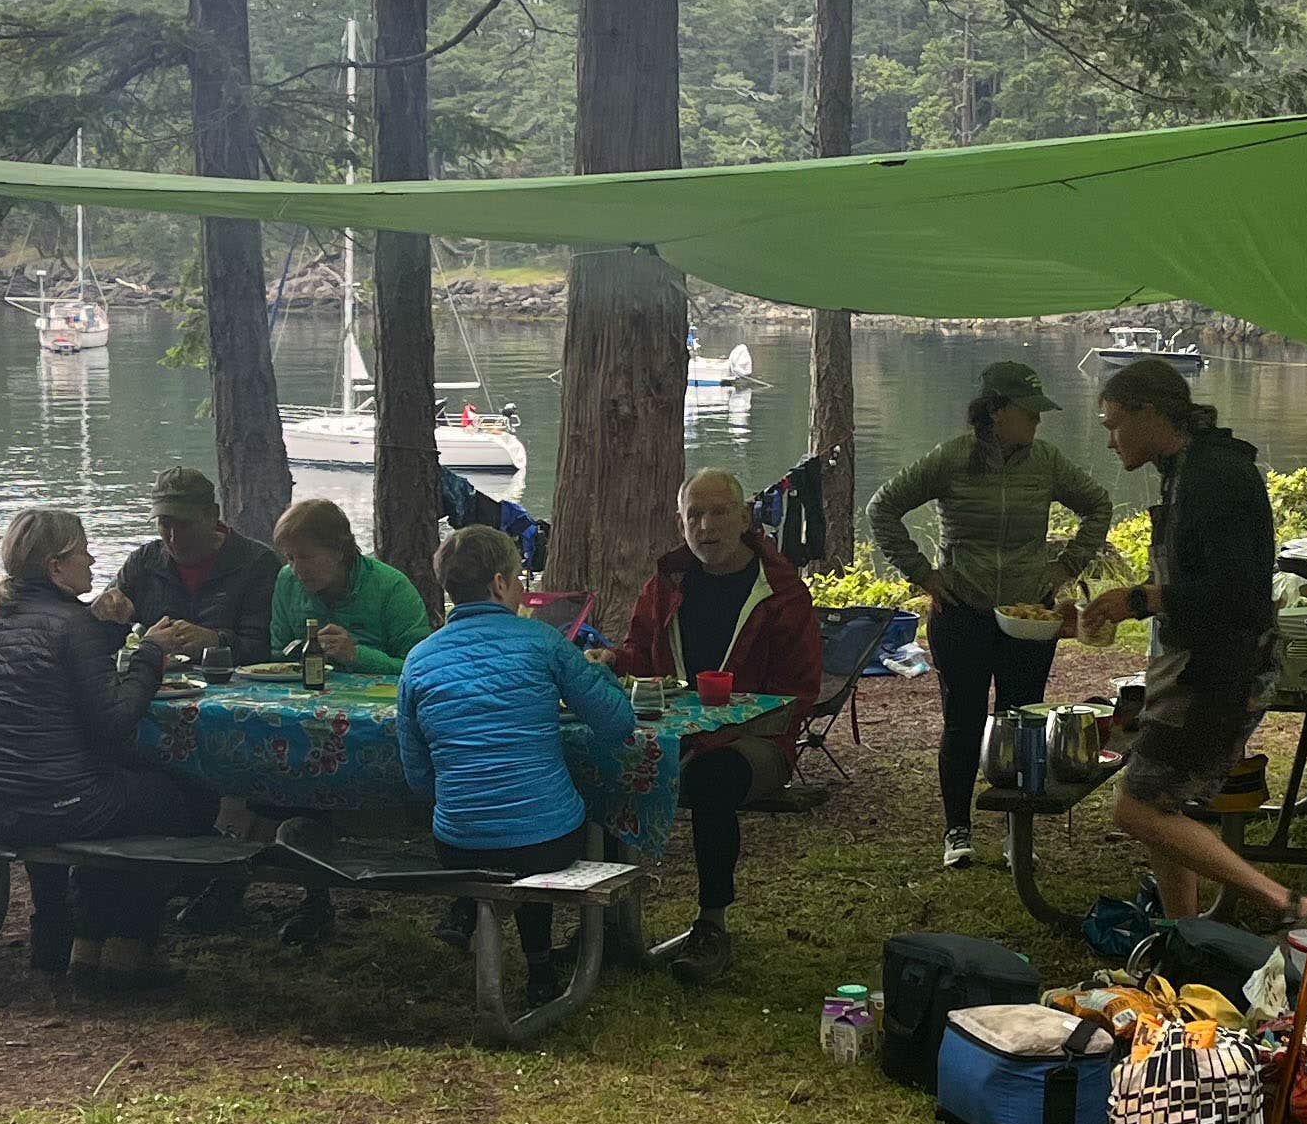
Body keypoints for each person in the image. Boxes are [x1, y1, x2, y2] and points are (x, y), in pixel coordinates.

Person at [1070, 359, 1307, 934]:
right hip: (1194, 662)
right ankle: (1186, 935)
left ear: (1150, 412)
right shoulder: (1185, 467)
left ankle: (1281, 902)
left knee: (1136, 809)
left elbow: (1237, 591)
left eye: (1114, 424)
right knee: (1161, 806)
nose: (1109, 440)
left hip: (1218, 670)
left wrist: (1144, 599)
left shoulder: (1216, 476)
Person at [865, 358, 1117, 868]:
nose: (1038, 420)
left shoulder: (1046, 461)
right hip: (962, 610)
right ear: (997, 412)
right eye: (1030, 411)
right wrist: (923, 574)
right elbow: (882, 508)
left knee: (1025, 718)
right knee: (962, 720)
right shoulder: (951, 460)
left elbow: (1097, 504)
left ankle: (1015, 830)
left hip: (1029, 614)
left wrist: (1065, 567)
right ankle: (957, 829)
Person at [0, 508, 225, 990]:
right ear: (55, 566)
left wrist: (107, 632)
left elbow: (58, 679)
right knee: (181, 799)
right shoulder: (70, 624)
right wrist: (150, 652)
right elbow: (114, 722)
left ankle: (84, 945)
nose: (92, 558)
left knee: (124, 795)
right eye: (82, 549)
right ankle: (127, 950)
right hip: (58, 802)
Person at [395, 524, 636, 980]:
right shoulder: (543, 643)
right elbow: (616, 722)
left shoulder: (418, 660)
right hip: (545, 842)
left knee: (509, 828)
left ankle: (467, 907)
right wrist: (601, 674)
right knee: (545, 823)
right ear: (500, 584)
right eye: (519, 580)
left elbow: (418, 777)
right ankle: (541, 968)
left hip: (458, 843)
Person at [609, 467, 820, 979]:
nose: (706, 526)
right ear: (681, 523)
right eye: (694, 515)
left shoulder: (782, 593)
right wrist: (610, 660)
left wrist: (733, 722)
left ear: (746, 517)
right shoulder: (666, 584)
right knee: (597, 762)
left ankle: (711, 923)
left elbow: (798, 693)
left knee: (713, 778)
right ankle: (605, 924)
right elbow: (641, 653)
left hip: (758, 741)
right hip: (674, 734)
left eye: (719, 512)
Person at [105, 465, 283, 667]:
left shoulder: (257, 564)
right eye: (164, 523)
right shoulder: (143, 562)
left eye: (184, 524)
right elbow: (102, 639)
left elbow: (268, 650)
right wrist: (102, 613)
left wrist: (216, 641)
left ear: (212, 515)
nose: (173, 536)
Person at [267, 496, 435, 674]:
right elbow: (279, 655)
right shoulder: (288, 581)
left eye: (306, 557)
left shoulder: (391, 587)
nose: (296, 569)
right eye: (290, 558)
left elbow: (419, 667)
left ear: (339, 551)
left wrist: (355, 655)